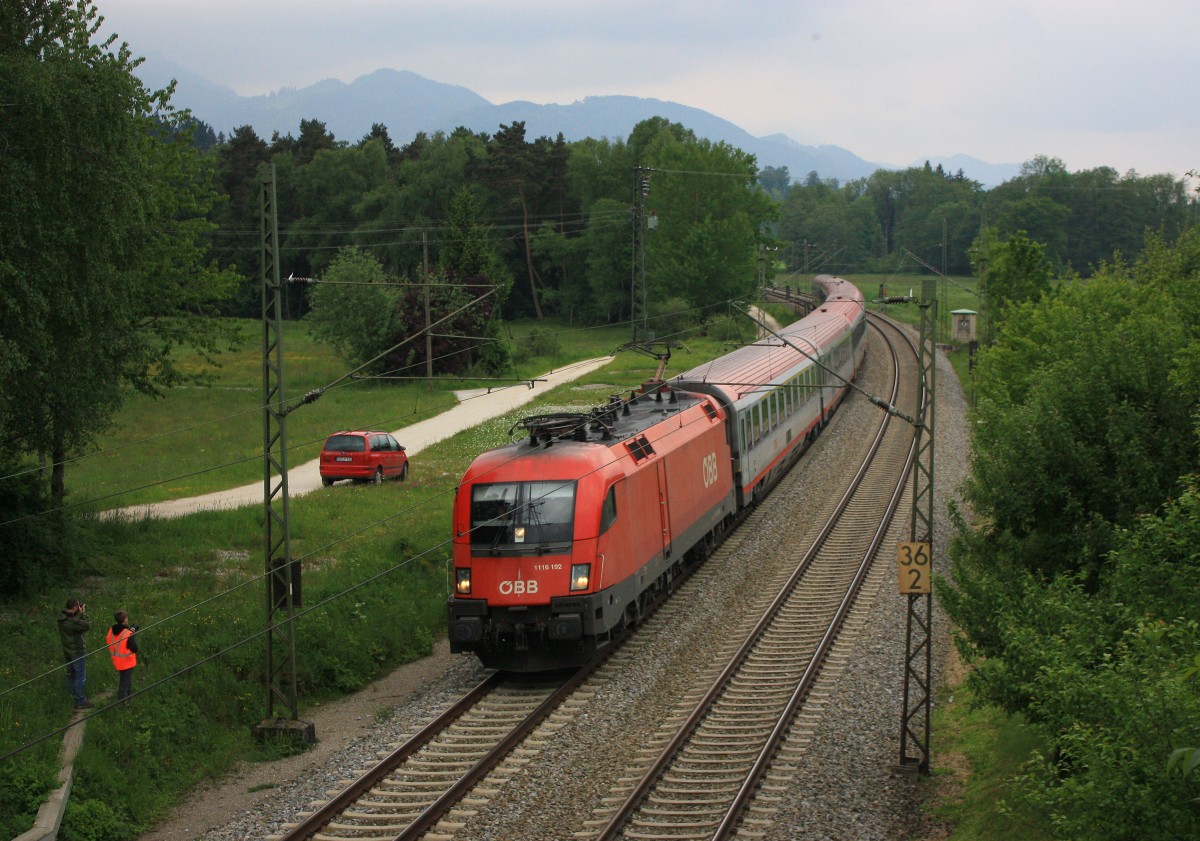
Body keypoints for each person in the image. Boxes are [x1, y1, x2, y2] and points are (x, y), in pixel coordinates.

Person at [57, 598, 91, 709]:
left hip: (67, 651)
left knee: (71, 675)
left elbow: (76, 627)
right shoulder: (71, 621)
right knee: (80, 676)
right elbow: (86, 626)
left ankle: (71, 696)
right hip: (77, 651)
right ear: (75, 607)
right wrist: (83, 614)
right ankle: (80, 700)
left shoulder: (62, 618)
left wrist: (77, 615)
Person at [105, 610, 139, 704]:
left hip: (117, 661)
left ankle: (129, 701)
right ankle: (122, 705)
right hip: (127, 662)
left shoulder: (111, 630)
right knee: (124, 684)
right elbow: (135, 648)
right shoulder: (127, 634)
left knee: (127, 681)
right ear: (125, 620)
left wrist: (130, 631)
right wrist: (132, 635)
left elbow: (110, 639)